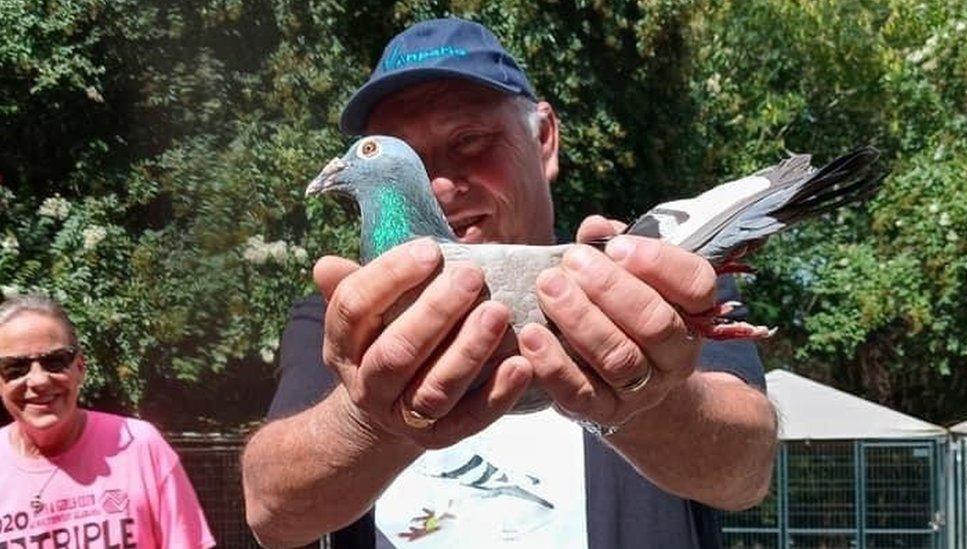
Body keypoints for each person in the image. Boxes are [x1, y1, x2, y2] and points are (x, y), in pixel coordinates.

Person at [242, 17, 777, 549]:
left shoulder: (653, 285)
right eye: (411, 158)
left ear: (544, 139)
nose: (440, 185)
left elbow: (746, 471)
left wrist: (646, 392)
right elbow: (270, 510)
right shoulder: (345, 316)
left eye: (470, 140)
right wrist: (371, 418)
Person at [0, 293, 215, 548]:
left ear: (80, 368)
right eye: (15, 368)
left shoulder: (140, 446)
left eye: (55, 362)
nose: (39, 381)